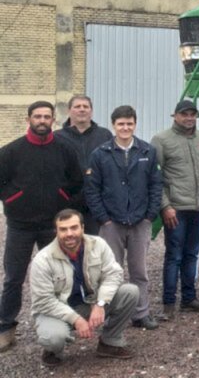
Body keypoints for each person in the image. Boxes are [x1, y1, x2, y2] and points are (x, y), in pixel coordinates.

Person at [0, 101, 84, 351]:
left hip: (53, 226)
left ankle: (61, 323)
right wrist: (13, 199)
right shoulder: (11, 151)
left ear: (53, 120)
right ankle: (6, 327)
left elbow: (77, 182)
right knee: (14, 277)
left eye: (47, 116)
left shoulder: (64, 149)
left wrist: (62, 198)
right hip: (20, 225)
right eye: (37, 116)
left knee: (60, 276)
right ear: (28, 119)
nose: (42, 121)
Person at [85, 105, 162, 331]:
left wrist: (150, 215)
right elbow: (92, 189)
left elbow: (156, 185)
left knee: (139, 272)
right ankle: (112, 314)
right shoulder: (100, 154)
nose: (125, 127)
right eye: (121, 124)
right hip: (111, 223)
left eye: (129, 123)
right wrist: (103, 219)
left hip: (140, 222)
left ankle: (141, 313)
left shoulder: (147, 151)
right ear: (113, 126)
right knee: (111, 271)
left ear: (135, 124)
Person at [29, 209, 139, 366]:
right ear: (56, 231)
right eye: (63, 229)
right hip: (56, 311)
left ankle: (109, 343)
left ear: (82, 227)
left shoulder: (98, 244)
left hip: (89, 303)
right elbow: (44, 301)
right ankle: (53, 350)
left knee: (130, 292)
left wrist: (101, 303)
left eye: (74, 227)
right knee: (53, 338)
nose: (69, 233)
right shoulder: (43, 260)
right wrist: (76, 320)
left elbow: (113, 274)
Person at [152, 99, 199, 317]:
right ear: (175, 116)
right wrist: (165, 206)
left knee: (192, 254)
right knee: (174, 257)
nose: (189, 118)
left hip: (198, 208)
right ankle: (169, 304)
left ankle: (189, 299)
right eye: (184, 114)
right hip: (176, 209)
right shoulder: (161, 140)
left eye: (192, 114)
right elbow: (155, 177)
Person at [55, 94, 113, 235]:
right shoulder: (57, 137)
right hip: (68, 203)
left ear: (91, 111)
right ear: (69, 111)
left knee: (95, 247)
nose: (82, 110)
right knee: (70, 246)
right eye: (77, 106)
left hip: (98, 204)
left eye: (85, 106)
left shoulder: (104, 135)